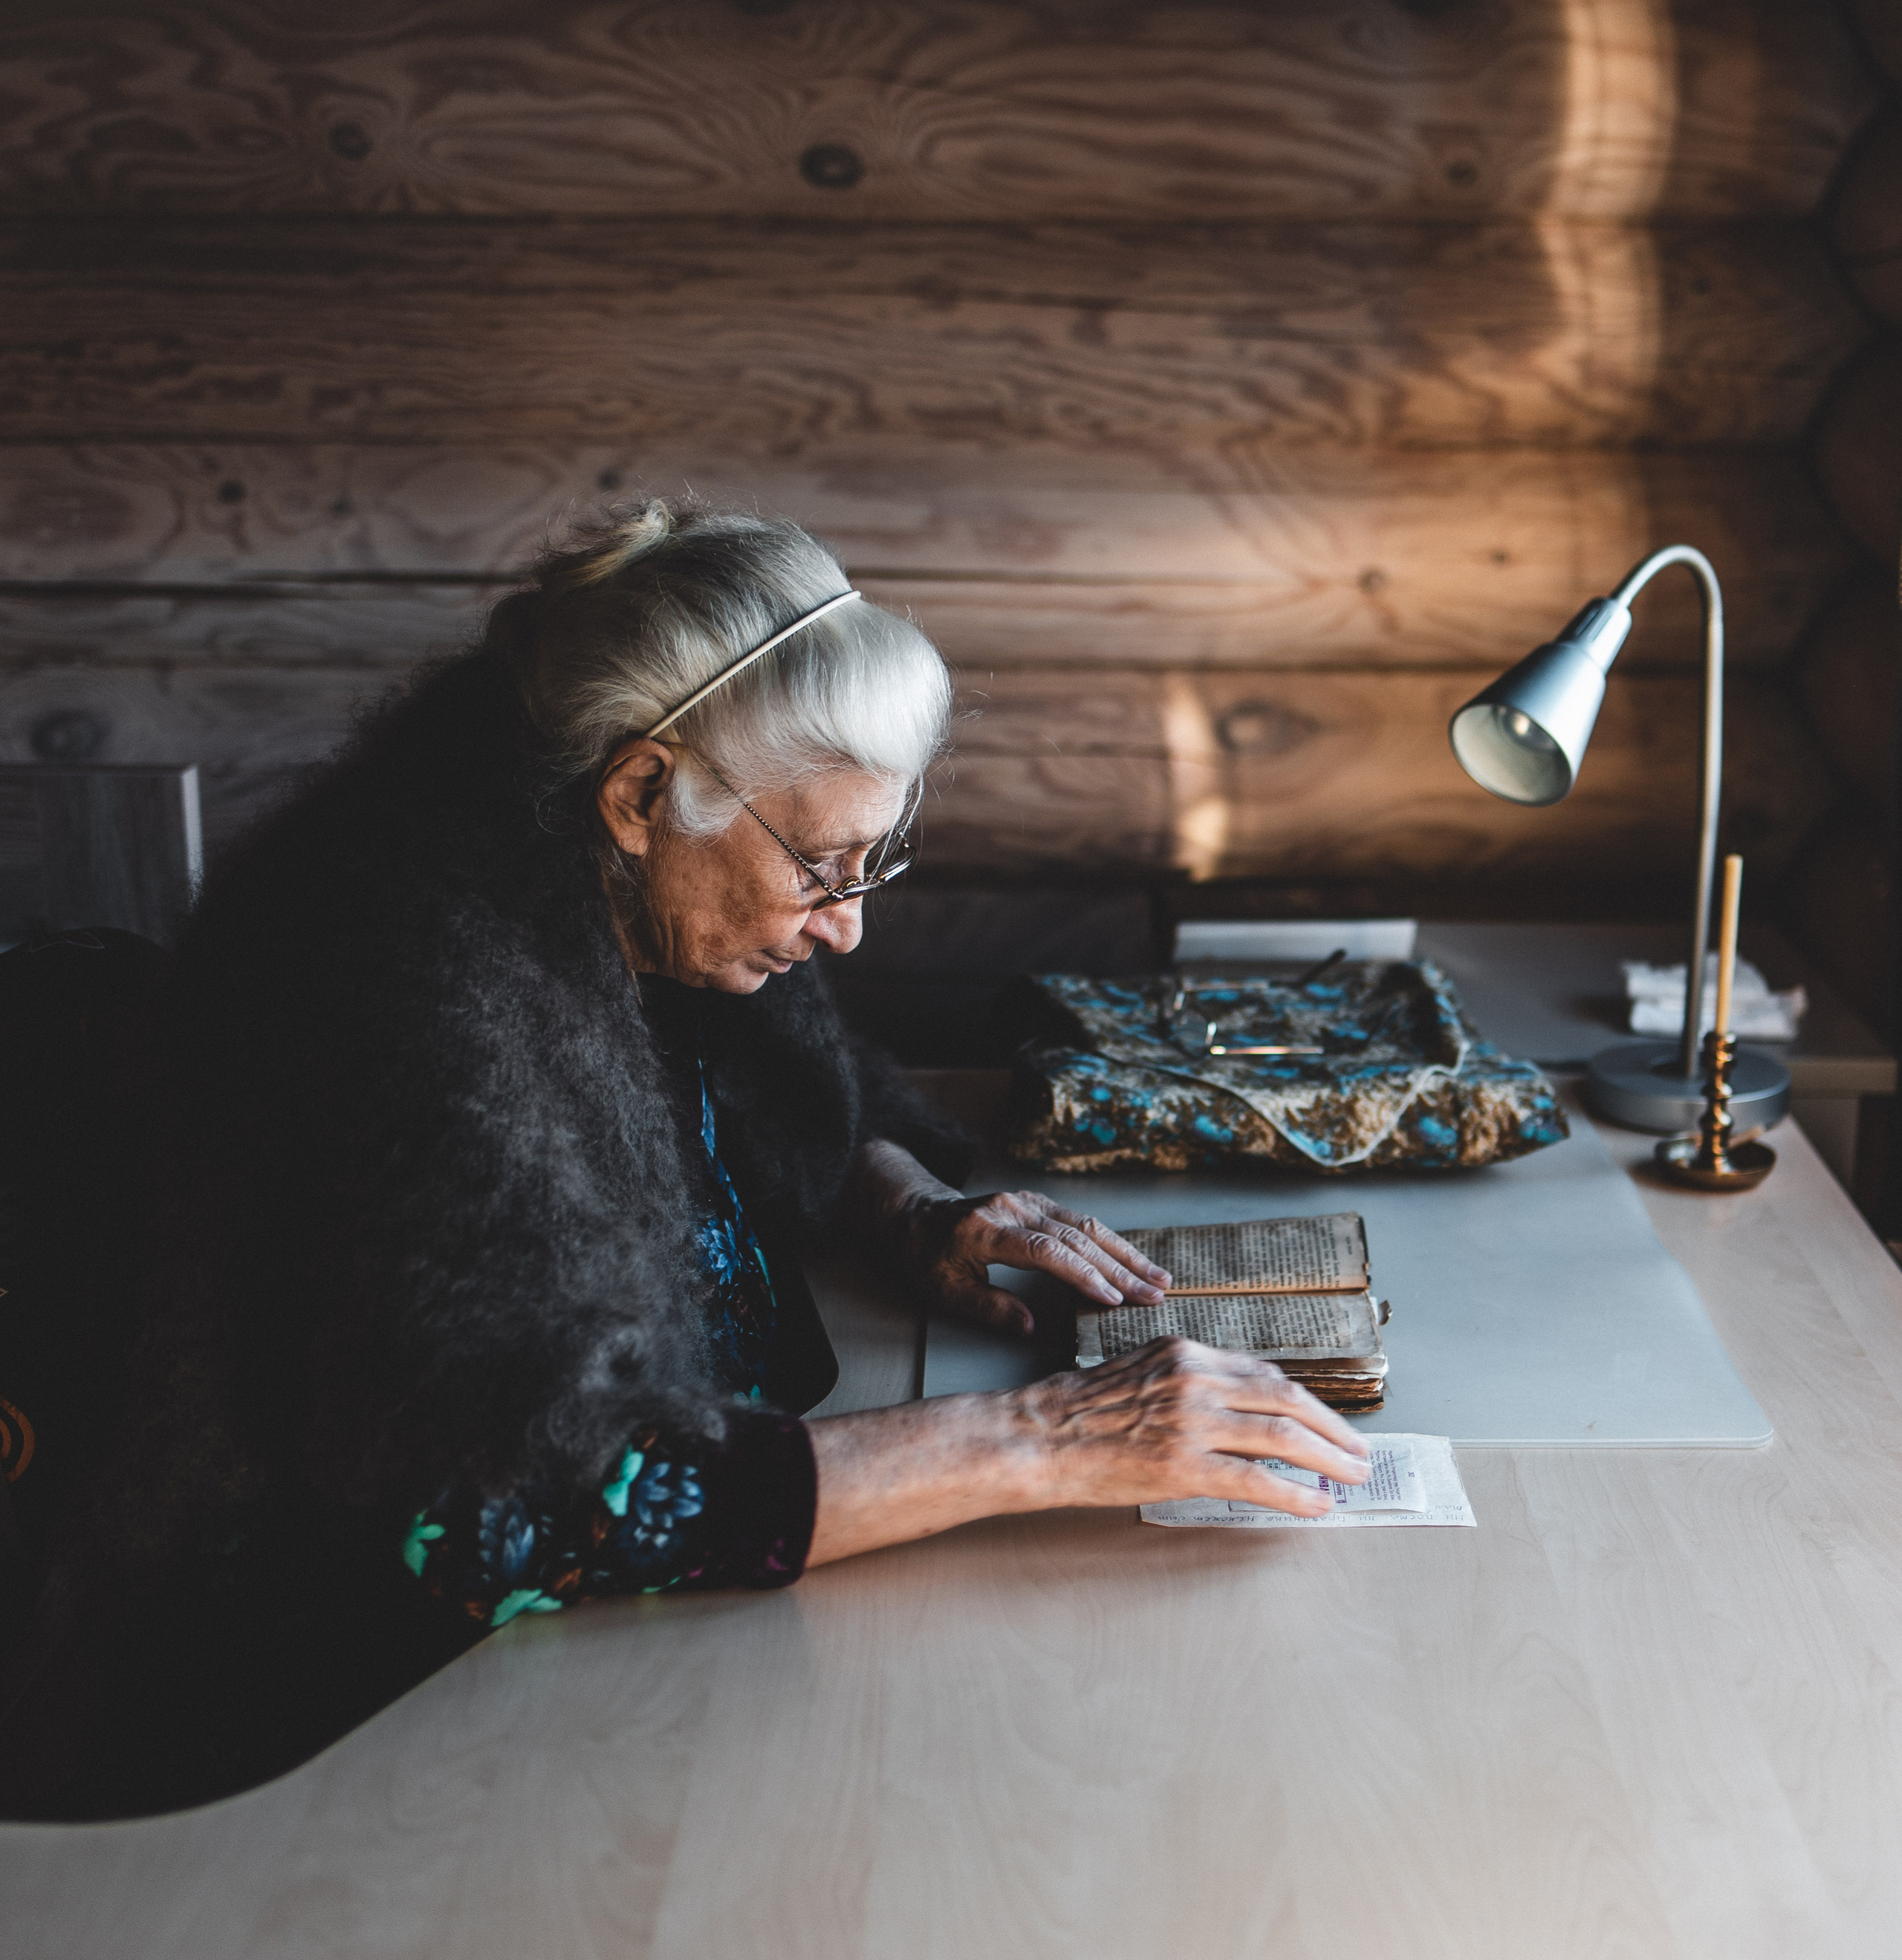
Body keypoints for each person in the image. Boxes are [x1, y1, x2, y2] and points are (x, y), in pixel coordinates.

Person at [0, 502, 1366, 1816]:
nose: (845, 929)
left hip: (632, 1620)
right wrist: (1044, 1435)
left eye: (871, 863)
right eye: (827, 867)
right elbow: (530, 1503)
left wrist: (909, 1205)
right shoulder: (405, 985)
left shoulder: (587, 873)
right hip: (365, 1720)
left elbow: (744, 1105)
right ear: (646, 789)